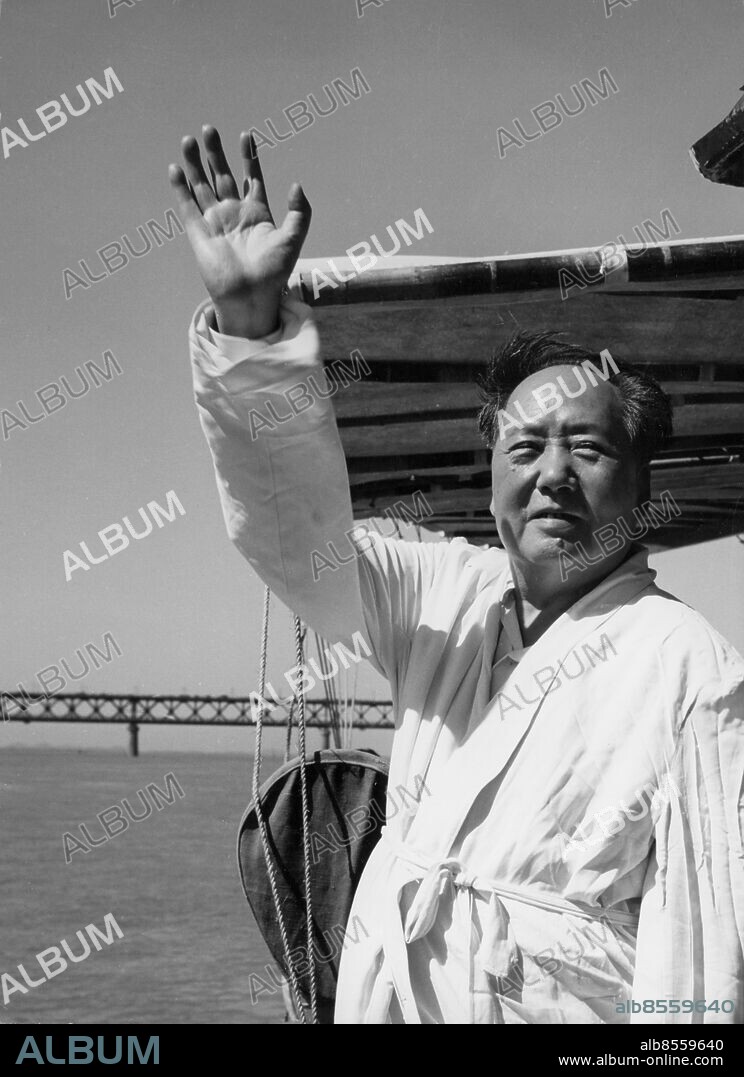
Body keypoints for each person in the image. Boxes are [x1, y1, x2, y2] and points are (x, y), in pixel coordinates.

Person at [170, 126, 744, 1024]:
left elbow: (704, 964)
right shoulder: (442, 592)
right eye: (526, 447)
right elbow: (295, 540)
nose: (552, 473)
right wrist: (253, 335)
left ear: (641, 483)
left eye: (587, 447)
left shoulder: (691, 669)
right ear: (494, 474)